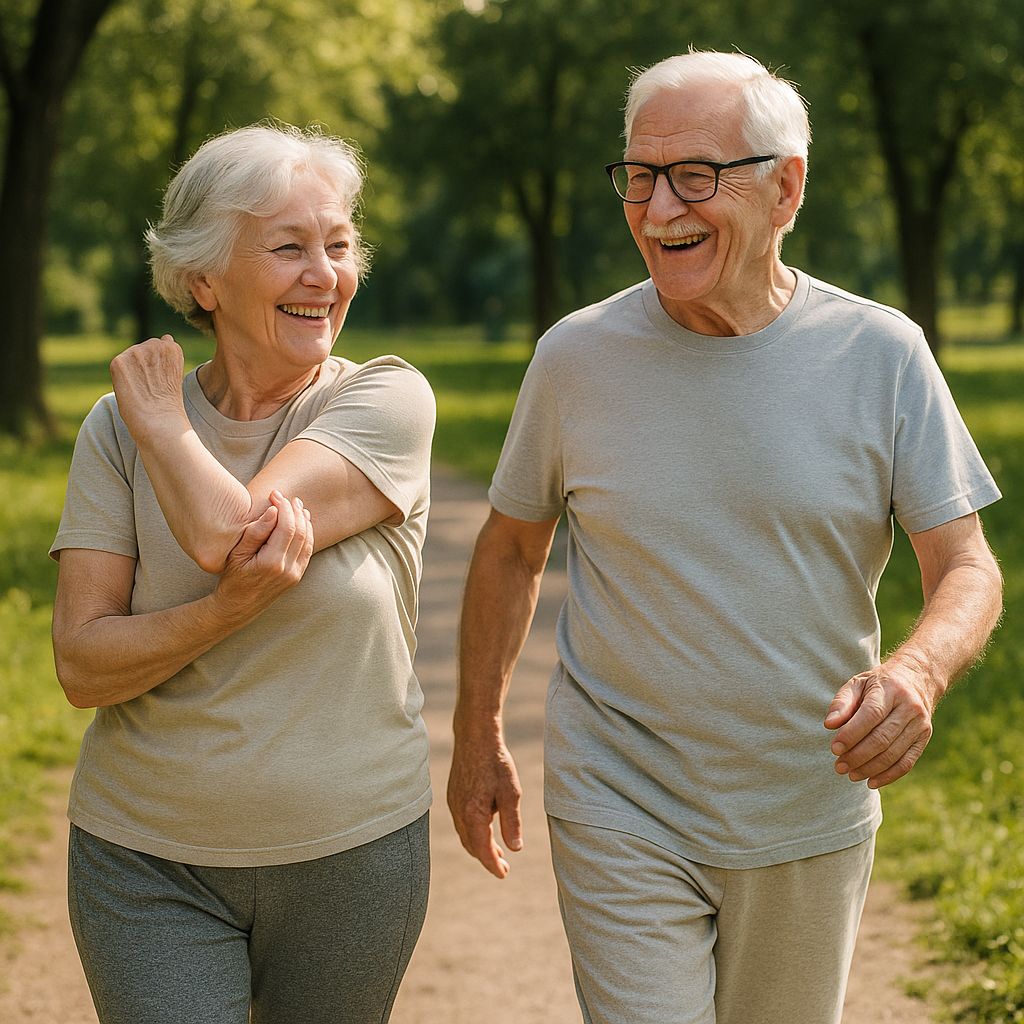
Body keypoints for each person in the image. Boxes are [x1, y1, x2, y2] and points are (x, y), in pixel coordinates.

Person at [447, 51, 1004, 1024]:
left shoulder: (881, 354)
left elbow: (965, 567)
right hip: (619, 792)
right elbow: (508, 548)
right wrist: (475, 731)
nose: (659, 211)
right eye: (639, 175)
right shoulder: (575, 359)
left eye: (694, 176)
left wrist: (917, 673)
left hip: (806, 803)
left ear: (785, 184)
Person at [50, 123, 435, 1024]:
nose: (324, 274)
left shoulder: (382, 398)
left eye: (338, 246)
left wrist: (165, 425)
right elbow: (82, 664)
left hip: (353, 852)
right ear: (203, 279)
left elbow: (230, 533)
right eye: (290, 247)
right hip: (145, 857)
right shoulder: (117, 430)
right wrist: (225, 614)